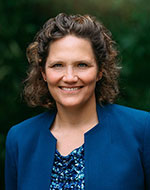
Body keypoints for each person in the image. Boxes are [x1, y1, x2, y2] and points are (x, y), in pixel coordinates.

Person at [5, 13, 150, 190]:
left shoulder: (142, 129)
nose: (70, 77)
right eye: (57, 65)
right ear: (43, 72)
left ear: (100, 71)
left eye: (82, 65)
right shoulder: (20, 138)